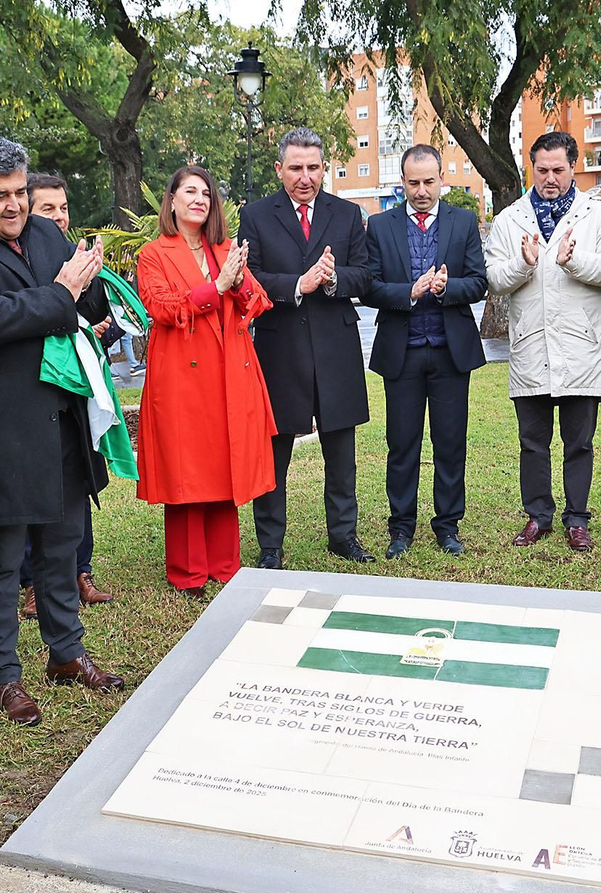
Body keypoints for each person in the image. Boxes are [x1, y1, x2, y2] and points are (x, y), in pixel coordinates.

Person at [0, 136, 125, 729]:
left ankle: (67, 653)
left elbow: (83, 305)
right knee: (0, 558)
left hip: (60, 416)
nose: (15, 206)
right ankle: (5, 676)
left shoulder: (45, 231)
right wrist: (61, 294)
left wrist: (85, 284)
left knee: (62, 546)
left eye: (20, 193)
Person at [136, 165, 277, 595]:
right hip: (181, 377)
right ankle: (188, 573)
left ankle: (225, 565)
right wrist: (215, 286)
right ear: (173, 201)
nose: (200, 199)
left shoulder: (225, 248)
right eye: (190, 192)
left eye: (206, 193)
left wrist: (235, 283)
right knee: (186, 470)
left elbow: (257, 302)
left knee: (222, 466)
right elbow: (161, 309)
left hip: (228, 375)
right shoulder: (154, 254)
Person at [239, 127, 374, 569]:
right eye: (295, 167)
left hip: (335, 348)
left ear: (324, 168)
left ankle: (343, 536)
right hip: (280, 350)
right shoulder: (256, 216)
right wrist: (299, 283)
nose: (305, 177)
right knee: (274, 454)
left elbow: (365, 275)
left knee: (341, 452)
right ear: (279, 169)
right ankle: (271, 546)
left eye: (313, 167)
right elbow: (249, 276)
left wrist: (333, 279)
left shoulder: (347, 214)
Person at [486, 132, 601, 551]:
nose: (549, 178)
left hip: (579, 345)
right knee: (532, 442)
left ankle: (577, 518)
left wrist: (574, 260)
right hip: (530, 344)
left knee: (579, 441)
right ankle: (537, 516)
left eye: (558, 170)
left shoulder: (598, 214)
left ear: (573, 167)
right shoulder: (510, 218)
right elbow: (493, 277)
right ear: (532, 167)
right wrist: (523, 263)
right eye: (541, 170)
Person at [362, 145, 487, 558]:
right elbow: (370, 287)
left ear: (441, 180)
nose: (420, 190)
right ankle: (401, 528)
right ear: (402, 182)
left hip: (451, 352)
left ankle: (448, 526)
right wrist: (408, 292)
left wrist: (448, 288)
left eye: (428, 182)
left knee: (450, 443)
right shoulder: (380, 226)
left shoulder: (464, 221)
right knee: (402, 444)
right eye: (412, 182)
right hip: (403, 352)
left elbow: (478, 282)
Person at [16, 172, 115, 611]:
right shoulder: (17, 258)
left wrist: (89, 288)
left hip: (78, 392)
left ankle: (81, 570)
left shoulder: (74, 255)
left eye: (63, 208)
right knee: (31, 485)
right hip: (32, 391)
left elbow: (102, 317)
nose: (58, 217)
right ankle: (33, 581)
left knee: (77, 479)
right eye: (47, 209)